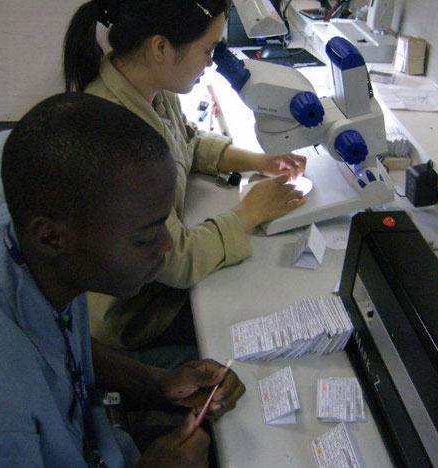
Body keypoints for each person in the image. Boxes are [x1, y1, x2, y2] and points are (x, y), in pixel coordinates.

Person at [0, 93, 245, 467]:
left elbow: (60, 342)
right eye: (144, 237)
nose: (167, 245)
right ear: (51, 237)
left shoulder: (22, 239)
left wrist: (157, 384)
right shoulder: (0, 414)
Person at [63, 0, 307, 350]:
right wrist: (252, 211)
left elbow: (187, 141)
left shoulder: (144, 86)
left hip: (152, 286)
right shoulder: (118, 138)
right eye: (207, 50)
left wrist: (256, 161)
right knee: (261, 317)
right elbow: (177, 259)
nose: (211, 63)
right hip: (129, 316)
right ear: (160, 47)